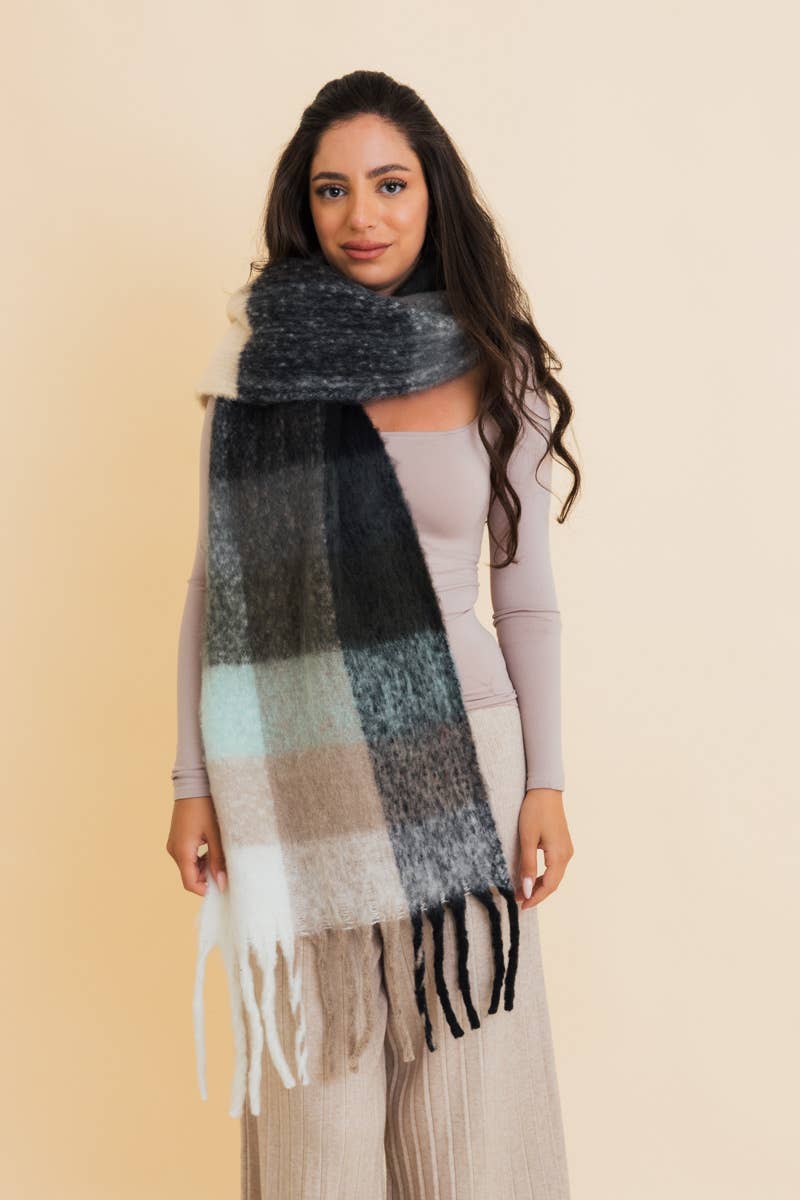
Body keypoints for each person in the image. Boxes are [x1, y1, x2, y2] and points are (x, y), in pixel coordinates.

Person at [166, 68, 581, 1200]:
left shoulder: (497, 367)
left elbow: (524, 596)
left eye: (390, 184)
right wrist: (192, 782)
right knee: (319, 1112)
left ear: (431, 193)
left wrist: (546, 783)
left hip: (468, 763)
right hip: (290, 772)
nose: (363, 216)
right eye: (333, 189)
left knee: (470, 1096)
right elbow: (214, 587)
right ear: (302, 206)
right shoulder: (254, 375)